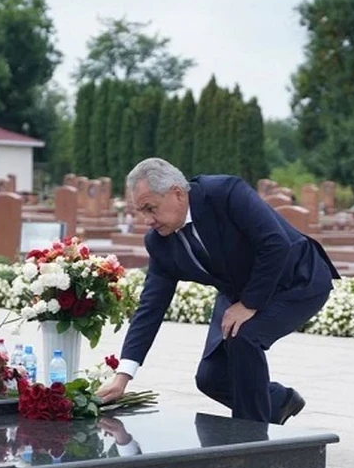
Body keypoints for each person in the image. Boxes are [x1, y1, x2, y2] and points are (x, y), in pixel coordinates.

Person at [96, 158, 340, 424]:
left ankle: (251, 442)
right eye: (140, 211)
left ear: (177, 193)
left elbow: (275, 243)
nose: (146, 220)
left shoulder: (224, 192)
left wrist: (248, 304)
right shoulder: (160, 243)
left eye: (150, 208)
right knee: (211, 378)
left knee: (244, 336)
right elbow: (150, 308)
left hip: (297, 278)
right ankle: (278, 402)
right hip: (241, 290)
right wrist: (123, 376)